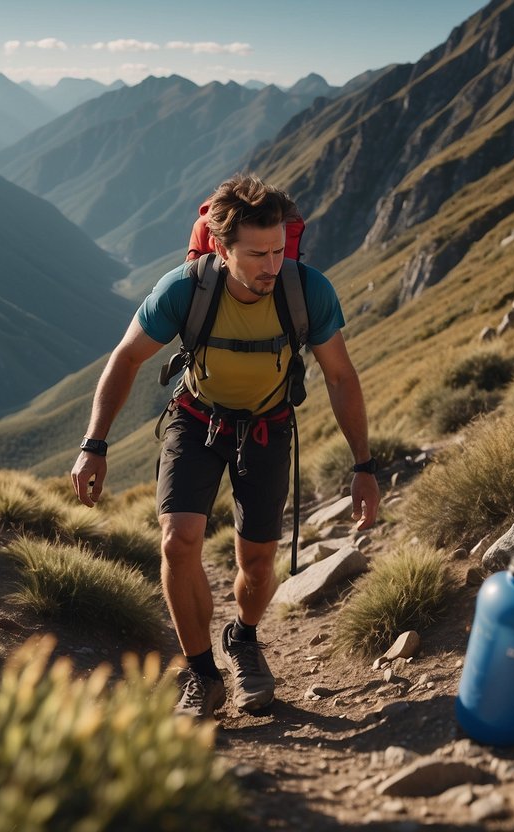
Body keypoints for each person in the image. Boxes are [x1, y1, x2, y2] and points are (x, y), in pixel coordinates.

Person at [70, 174, 379, 719]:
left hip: (268, 428)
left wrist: (363, 465)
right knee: (177, 541)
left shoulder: (307, 291)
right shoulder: (185, 289)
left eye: (279, 250)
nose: (271, 265)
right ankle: (203, 674)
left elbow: (340, 378)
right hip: (196, 421)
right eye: (257, 254)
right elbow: (125, 357)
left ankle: (244, 637)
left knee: (258, 564)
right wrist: (94, 443)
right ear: (220, 247)